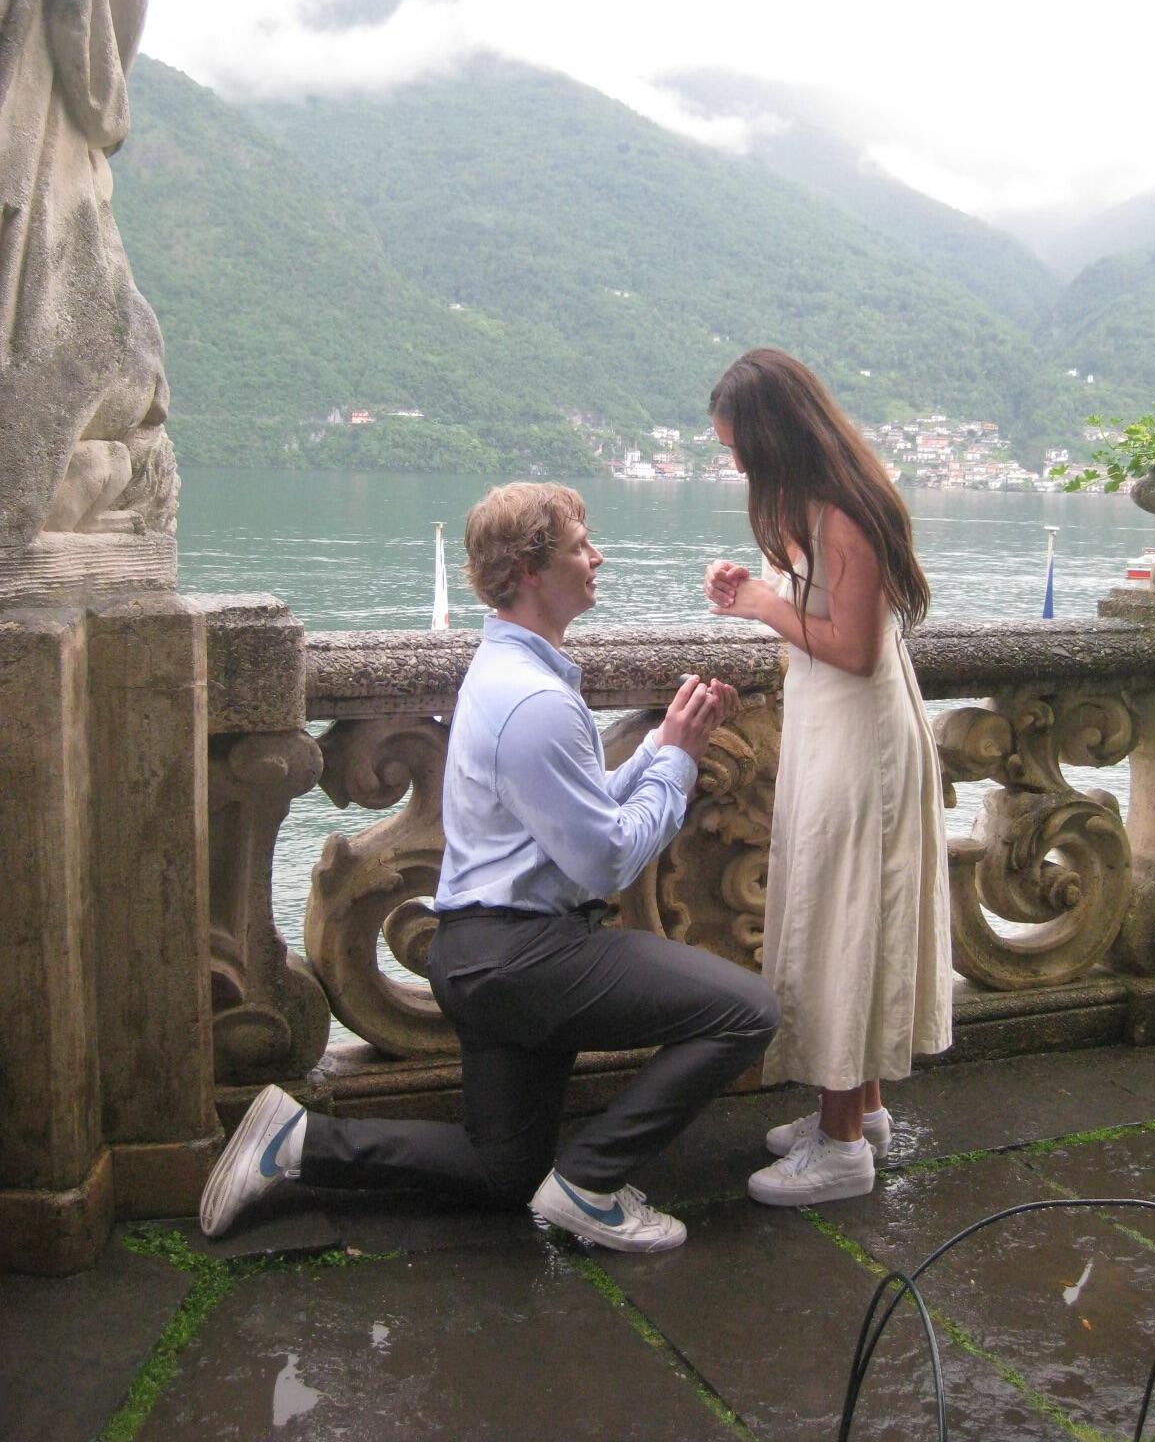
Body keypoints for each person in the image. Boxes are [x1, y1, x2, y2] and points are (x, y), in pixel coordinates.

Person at [201, 482, 779, 1252]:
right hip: (529, 958)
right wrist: (674, 771)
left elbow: (571, 813)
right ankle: (591, 1185)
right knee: (748, 1011)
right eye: (580, 543)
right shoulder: (534, 700)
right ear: (531, 569)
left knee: (504, 1169)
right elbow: (605, 858)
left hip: (480, 955)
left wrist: (655, 749)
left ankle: (296, 1141)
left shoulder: (508, 673)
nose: (597, 555)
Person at [704, 349, 951, 1206]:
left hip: (862, 744)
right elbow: (818, 611)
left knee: (846, 921)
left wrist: (762, 605)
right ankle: (859, 1109)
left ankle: (843, 1148)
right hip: (837, 734)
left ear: (777, 436)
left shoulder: (843, 512)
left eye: (741, 446)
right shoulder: (814, 505)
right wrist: (756, 585)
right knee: (847, 914)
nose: (735, 462)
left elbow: (851, 647)